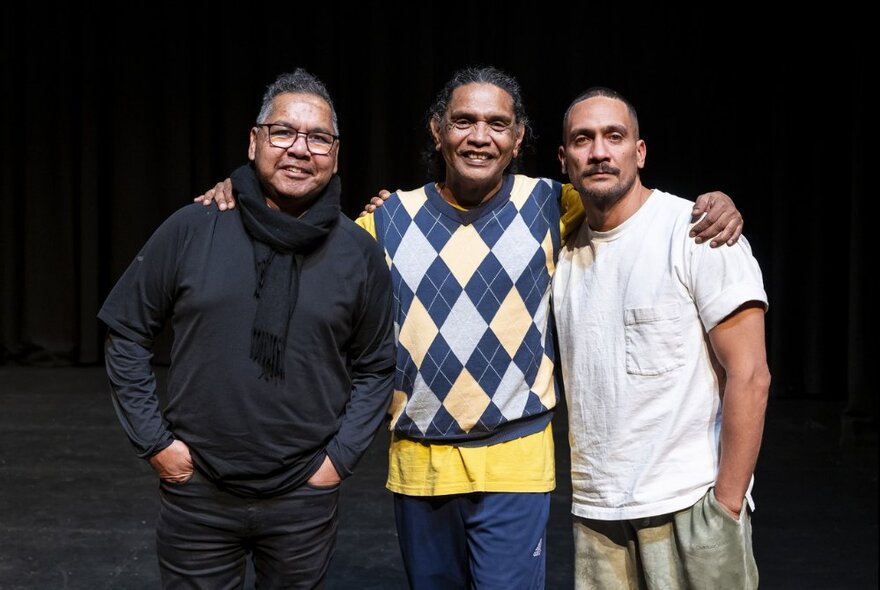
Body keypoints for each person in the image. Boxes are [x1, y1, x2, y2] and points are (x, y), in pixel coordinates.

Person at [196, 66, 744, 589]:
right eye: (464, 121)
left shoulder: (553, 204)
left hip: (515, 464)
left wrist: (715, 204)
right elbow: (304, 232)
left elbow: (630, 203)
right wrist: (243, 190)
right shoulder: (388, 220)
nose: (480, 137)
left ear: (518, 137)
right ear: (437, 131)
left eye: (497, 124)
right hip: (419, 464)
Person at [97, 68, 396, 589]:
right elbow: (126, 331)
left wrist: (337, 462)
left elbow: (376, 367)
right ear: (255, 140)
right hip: (198, 493)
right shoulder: (194, 226)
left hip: (304, 497)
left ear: (336, 153)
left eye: (318, 138)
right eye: (283, 132)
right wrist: (156, 445)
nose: (300, 149)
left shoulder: (358, 252)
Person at [553, 86, 770, 589]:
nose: (600, 151)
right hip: (597, 515)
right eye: (583, 140)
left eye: (614, 136)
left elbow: (751, 374)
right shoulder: (561, 252)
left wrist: (726, 506)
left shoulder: (696, 232)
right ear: (564, 159)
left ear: (639, 151)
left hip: (691, 507)